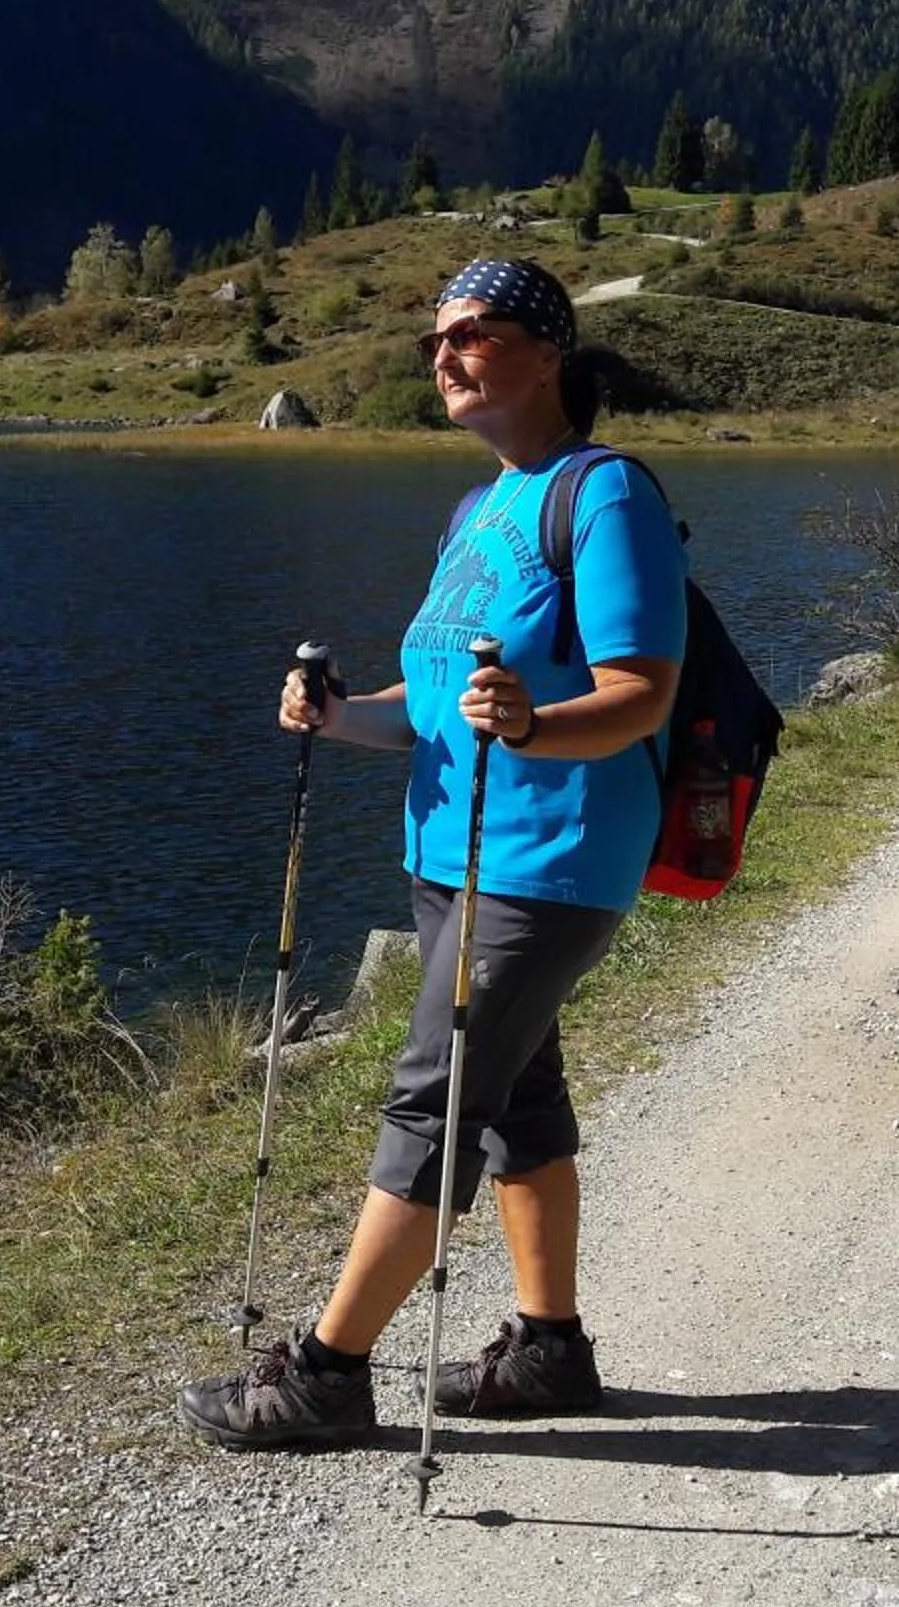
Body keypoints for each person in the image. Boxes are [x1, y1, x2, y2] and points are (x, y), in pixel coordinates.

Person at [176, 259, 688, 1450]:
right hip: (453, 858)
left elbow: (640, 694)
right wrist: (337, 712)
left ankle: (324, 1374)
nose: (446, 355)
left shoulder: (603, 496)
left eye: (473, 333)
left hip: (547, 862)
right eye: (434, 342)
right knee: (517, 1104)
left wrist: (531, 726)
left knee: (435, 1105)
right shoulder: (479, 509)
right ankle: (549, 1349)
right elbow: (437, 700)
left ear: (548, 350)